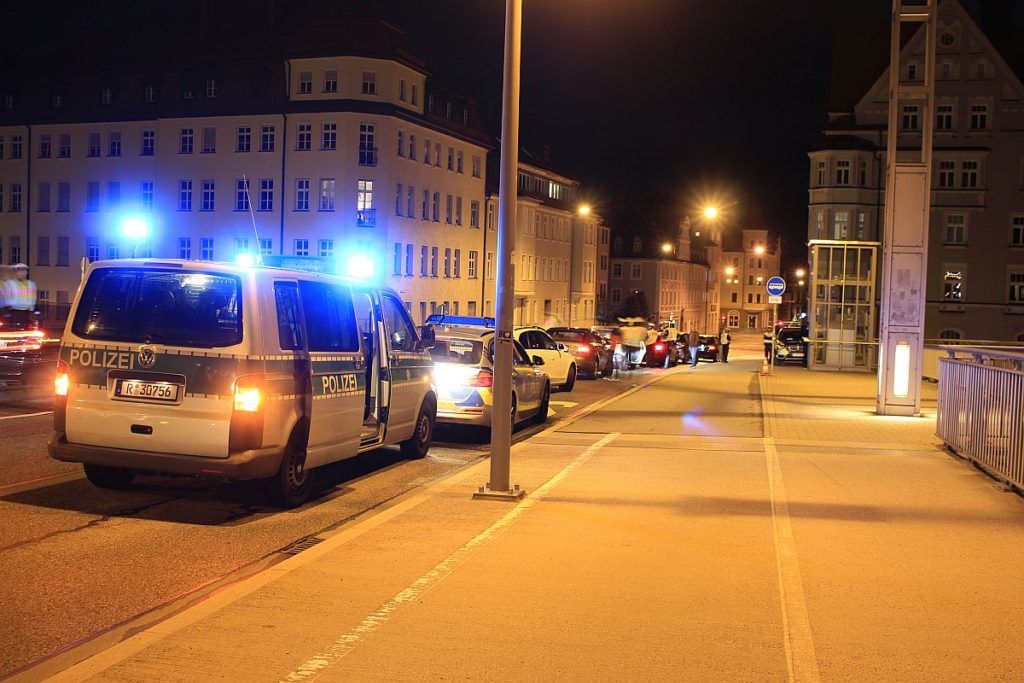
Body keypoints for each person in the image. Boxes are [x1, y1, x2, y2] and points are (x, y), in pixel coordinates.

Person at [6, 264, 37, 329]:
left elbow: (32, 298)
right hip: (14, 311)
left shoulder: (31, 284)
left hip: (26, 312)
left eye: (23, 271)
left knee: (25, 329)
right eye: (19, 271)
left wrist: (31, 311)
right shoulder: (11, 284)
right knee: (14, 329)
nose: (21, 273)